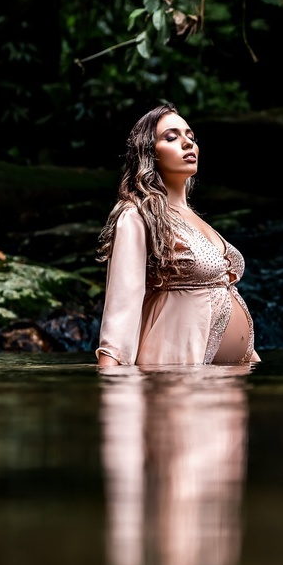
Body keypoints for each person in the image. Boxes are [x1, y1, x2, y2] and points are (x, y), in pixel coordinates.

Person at [95, 103, 259, 367]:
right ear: (149, 153)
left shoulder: (195, 218)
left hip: (224, 383)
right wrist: (114, 385)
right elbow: (121, 310)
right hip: (173, 374)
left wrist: (251, 360)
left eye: (191, 137)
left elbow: (222, 300)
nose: (187, 144)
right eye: (171, 137)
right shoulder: (137, 215)